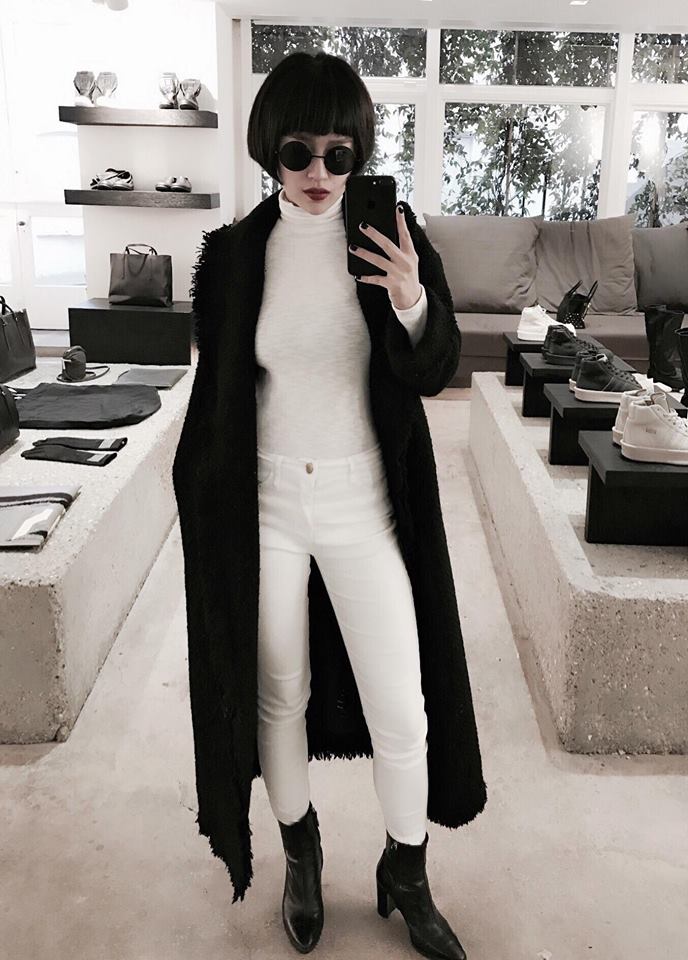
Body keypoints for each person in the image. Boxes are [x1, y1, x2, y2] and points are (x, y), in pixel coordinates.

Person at [172, 50, 486, 960]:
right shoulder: (234, 257)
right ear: (269, 148)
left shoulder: (390, 234)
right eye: (299, 151)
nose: (319, 172)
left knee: (404, 706)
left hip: (364, 502)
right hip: (268, 502)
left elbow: (434, 369)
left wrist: (414, 300)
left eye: (340, 154)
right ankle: (301, 856)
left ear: (361, 155)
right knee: (279, 696)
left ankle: (406, 870)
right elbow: (219, 397)